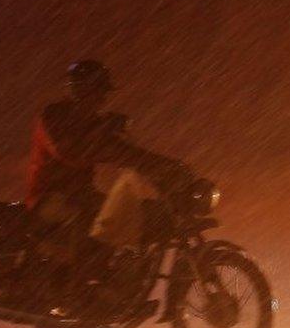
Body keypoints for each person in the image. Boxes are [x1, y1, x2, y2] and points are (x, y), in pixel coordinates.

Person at [26, 60, 191, 309]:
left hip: (81, 194)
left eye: (104, 93)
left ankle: (115, 284)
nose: (102, 99)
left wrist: (164, 165)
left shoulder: (93, 122)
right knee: (86, 218)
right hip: (48, 198)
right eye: (98, 91)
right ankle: (74, 295)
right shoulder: (54, 116)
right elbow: (70, 151)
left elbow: (123, 151)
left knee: (128, 216)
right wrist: (104, 129)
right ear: (80, 90)